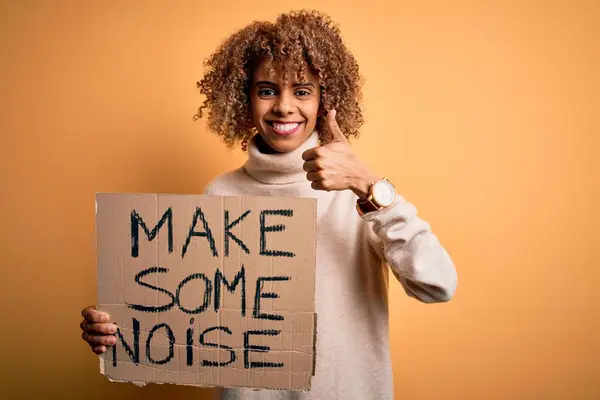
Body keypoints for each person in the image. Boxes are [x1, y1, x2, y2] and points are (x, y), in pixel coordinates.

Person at [80, 9, 457, 400]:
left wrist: (368, 185)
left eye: (302, 91)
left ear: (325, 102)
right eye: (267, 90)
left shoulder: (358, 193)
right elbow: (191, 310)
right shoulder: (219, 194)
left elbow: (438, 284)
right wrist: (124, 326)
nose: (283, 106)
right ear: (245, 99)